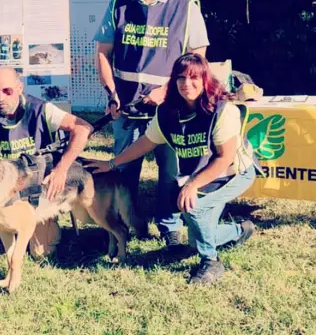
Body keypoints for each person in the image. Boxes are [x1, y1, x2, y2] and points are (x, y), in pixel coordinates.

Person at [87, 53, 258, 284]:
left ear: (205, 79)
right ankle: (239, 231)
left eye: (193, 77)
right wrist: (111, 163)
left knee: (192, 208)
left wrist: (192, 185)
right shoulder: (168, 112)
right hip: (204, 174)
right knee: (195, 240)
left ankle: (211, 262)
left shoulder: (221, 110)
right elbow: (144, 143)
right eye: (180, 78)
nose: (186, 84)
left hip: (234, 172)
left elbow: (225, 157)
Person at [93, 0, 210, 242]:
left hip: (171, 108)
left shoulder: (186, 7)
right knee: (123, 169)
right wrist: (111, 93)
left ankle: (170, 227)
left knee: (170, 171)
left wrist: (167, 90)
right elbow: (103, 54)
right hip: (128, 109)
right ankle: (124, 226)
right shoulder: (117, 5)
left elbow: (199, 62)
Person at [0, 66, 92, 279]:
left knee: (41, 253)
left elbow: (83, 128)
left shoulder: (42, 109)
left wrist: (62, 169)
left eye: (7, 91)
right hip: (4, 188)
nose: (0, 98)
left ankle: (49, 228)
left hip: (37, 192)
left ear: (19, 88)